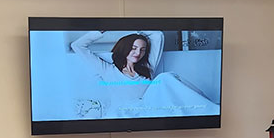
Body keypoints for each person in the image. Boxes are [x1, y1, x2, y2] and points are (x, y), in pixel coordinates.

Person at [67, 29, 219, 118]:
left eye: (142, 49)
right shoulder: (108, 70)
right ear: (124, 47)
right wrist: (100, 31)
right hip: (125, 113)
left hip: (152, 108)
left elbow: (157, 35)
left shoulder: (147, 68)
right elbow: (77, 45)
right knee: (165, 79)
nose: (138, 53)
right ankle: (207, 105)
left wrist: (137, 30)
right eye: (133, 48)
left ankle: (209, 108)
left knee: (165, 78)